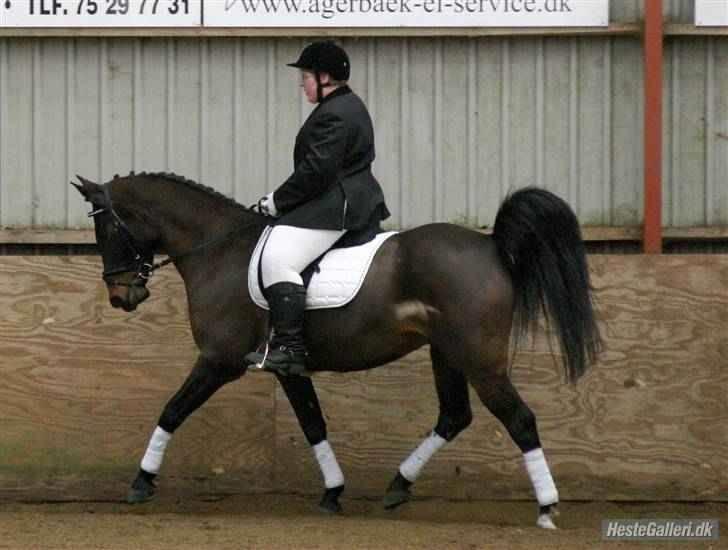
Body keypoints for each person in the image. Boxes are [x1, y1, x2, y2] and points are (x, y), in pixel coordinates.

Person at [244, 40, 390, 376]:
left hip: (338, 202)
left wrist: (276, 201)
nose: (302, 83)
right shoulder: (342, 107)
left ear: (325, 78)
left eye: (306, 76)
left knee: (278, 258)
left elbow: (317, 171)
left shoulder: (336, 113)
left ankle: (290, 348)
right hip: (336, 197)